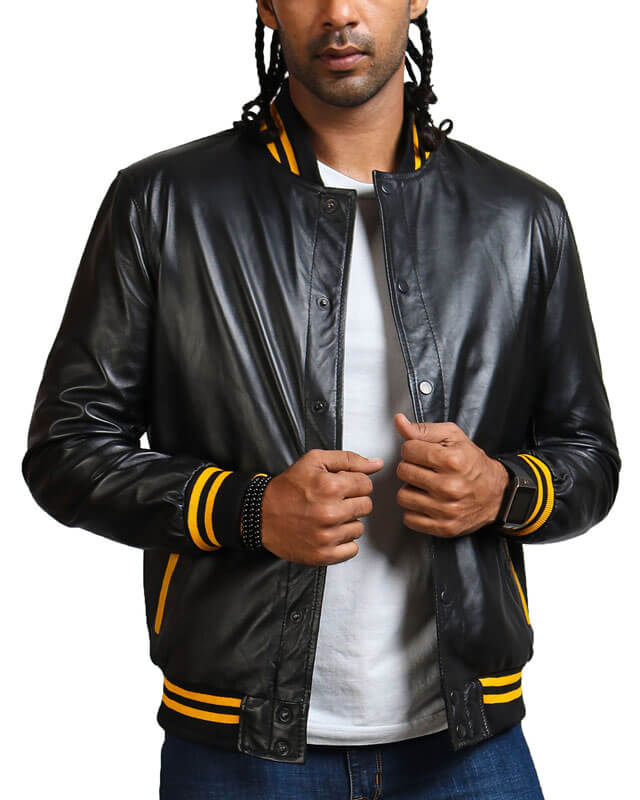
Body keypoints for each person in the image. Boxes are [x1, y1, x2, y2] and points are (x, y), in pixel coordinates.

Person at [22, 1, 621, 798]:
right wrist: (248, 509)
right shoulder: (163, 202)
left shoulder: (520, 217)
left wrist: (501, 489)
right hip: (237, 744)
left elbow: (590, 457)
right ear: (267, 5)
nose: (339, 12)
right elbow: (66, 451)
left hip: (467, 741)